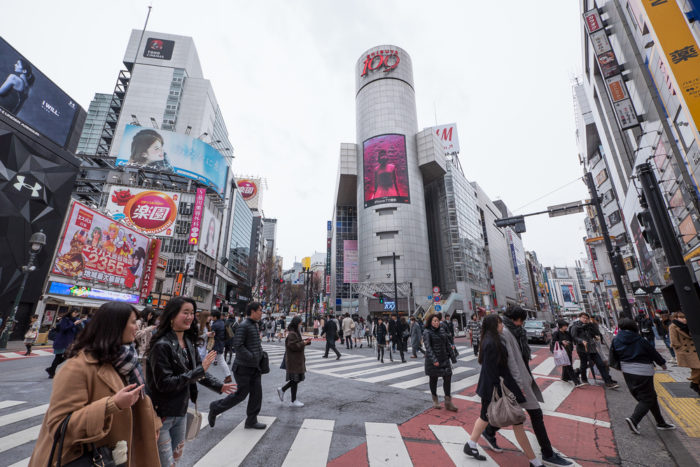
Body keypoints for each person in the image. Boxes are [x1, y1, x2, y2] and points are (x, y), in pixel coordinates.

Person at [29, 302, 161, 467]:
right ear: (115, 326)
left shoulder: (126, 361)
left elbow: (140, 399)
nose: (137, 327)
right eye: (133, 322)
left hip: (121, 452)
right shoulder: (77, 367)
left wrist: (153, 424)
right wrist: (112, 404)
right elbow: (59, 425)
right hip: (90, 457)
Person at [147, 297, 235, 465]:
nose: (189, 317)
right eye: (185, 313)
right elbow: (165, 383)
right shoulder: (162, 345)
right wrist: (200, 370)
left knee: (176, 460)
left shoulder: (188, 341)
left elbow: (197, 371)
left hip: (181, 411)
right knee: (165, 463)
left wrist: (219, 386)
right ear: (172, 315)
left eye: (192, 313)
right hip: (162, 415)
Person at [481, 307, 573, 466]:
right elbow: (510, 361)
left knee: (513, 414)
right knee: (533, 414)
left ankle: (489, 432)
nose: (522, 324)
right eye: (521, 321)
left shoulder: (513, 331)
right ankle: (545, 454)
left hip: (520, 378)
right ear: (515, 319)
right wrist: (519, 384)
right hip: (516, 382)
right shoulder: (505, 333)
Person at [464, 314, 539, 465]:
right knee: (516, 420)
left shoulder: (491, 340)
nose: (502, 325)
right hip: (498, 387)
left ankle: (471, 444)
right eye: (499, 323)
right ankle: (534, 461)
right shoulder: (491, 343)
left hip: (492, 387)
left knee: (485, 416)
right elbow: (492, 370)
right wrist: (499, 391)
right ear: (493, 325)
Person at [609, 318, 675, 434]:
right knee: (647, 398)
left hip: (627, 371)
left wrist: (619, 366)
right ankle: (634, 420)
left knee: (650, 396)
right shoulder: (639, 339)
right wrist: (662, 363)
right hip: (643, 370)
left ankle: (661, 422)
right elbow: (652, 352)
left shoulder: (616, 340)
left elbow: (613, 355)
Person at [208, 302, 267, 429]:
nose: (261, 313)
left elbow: (254, 344)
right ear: (252, 311)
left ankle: (251, 420)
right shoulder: (244, 325)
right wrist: (251, 356)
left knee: (257, 394)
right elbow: (238, 345)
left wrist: (260, 355)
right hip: (243, 367)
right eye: (260, 310)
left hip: (254, 367)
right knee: (241, 394)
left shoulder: (254, 325)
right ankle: (215, 407)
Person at [570, 312, 619, 388]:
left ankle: (608, 381)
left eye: (586, 318)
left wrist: (591, 325)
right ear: (579, 317)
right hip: (582, 349)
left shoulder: (589, 325)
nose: (585, 319)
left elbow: (596, 333)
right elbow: (574, 336)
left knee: (601, 364)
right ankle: (583, 378)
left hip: (592, 348)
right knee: (584, 365)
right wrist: (581, 341)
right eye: (583, 317)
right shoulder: (575, 326)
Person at [424, 313, 457, 411]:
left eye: (438, 321)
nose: (436, 323)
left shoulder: (442, 330)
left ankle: (448, 402)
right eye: (434, 321)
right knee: (433, 379)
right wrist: (434, 360)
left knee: (448, 377)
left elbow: (447, 344)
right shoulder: (427, 332)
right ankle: (435, 399)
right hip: (433, 361)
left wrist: (453, 357)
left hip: (444, 359)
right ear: (430, 322)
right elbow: (428, 347)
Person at [277, 316, 312, 406]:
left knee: (296, 379)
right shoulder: (292, 333)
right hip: (294, 360)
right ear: (297, 323)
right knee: (295, 379)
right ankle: (292, 399)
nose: (301, 325)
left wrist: (306, 342)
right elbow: (293, 346)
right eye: (300, 323)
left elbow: (297, 343)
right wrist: (304, 343)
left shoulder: (295, 332)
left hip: (296, 360)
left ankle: (285, 392)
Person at [669, 312, 700, 395]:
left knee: (697, 369)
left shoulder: (689, 325)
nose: (684, 319)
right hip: (686, 351)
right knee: (698, 368)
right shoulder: (673, 326)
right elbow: (674, 341)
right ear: (676, 318)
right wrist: (680, 348)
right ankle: (694, 383)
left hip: (695, 349)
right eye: (681, 318)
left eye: (685, 317)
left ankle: (695, 384)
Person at [46, 309, 82, 378]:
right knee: (58, 356)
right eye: (75, 312)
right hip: (62, 340)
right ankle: (51, 371)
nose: (76, 314)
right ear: (71, 312)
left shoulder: (75, 320)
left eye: (77, 313)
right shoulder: (65, 319)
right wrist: (74, 324)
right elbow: (63, 329)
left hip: (69, 341)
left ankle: (51, 369)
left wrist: (78, 325)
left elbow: (77, 331)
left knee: (67, 356)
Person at [550, 320, 582, 387]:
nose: (566, 327)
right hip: (562, 353)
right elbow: (553, 342)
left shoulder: (567, 333)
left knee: (566, 365)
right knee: (569, 366)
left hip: (568, 351)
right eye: (564, 326)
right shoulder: (556, 333)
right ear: (560, 326)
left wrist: (569, 343)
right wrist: (561, 342)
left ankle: (564, 378)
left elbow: (571, 340)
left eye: (566, 326)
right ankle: (576, 382)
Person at [210, 310, 233, 383]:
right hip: (221, 344)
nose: (210, 317)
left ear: (215, 317)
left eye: (211, 316)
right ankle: (228, 376)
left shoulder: (215, 325)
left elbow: (211, 336)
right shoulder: (222, 323)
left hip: (216, 344)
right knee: (220, 360)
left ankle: (228, 376)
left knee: (220, 360)